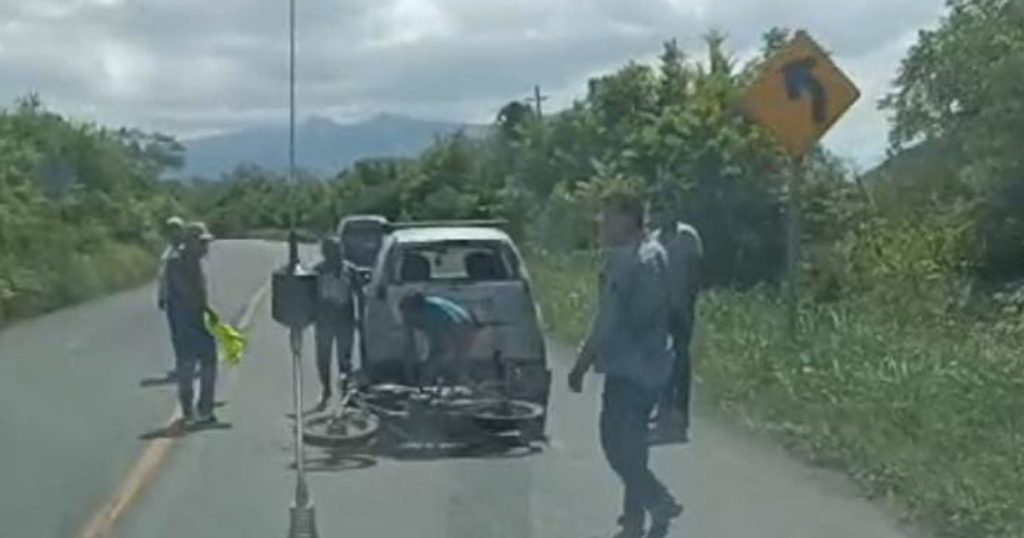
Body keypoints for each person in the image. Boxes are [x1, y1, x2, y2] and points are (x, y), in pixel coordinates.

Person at [568, 192, 683, 538]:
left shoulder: (626, 260)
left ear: (628, 220)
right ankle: (634, 519)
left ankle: (657, 499)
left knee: (614, 444)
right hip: (655, 363)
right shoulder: (656, 252)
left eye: (608, 216)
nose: (601, 223)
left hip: (628, 367)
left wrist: (581, 363)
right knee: (634, 443)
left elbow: (608, 321)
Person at [651, 216, 703, 441]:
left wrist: (690, 303)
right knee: (661, 362)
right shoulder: (653, 239)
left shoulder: (687, 236)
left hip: (681, 307)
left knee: (680, 362)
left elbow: (696, 271)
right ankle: (663, 412)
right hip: (660, 311)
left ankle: (680, 416)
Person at [165, 221, 218, 426]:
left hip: (193, 318)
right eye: (202, 243)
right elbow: (188, 295)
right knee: (188, 364)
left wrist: (207, 311)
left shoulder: (192, 261)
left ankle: (203, 408)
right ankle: (190, 409)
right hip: (184, 320)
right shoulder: (177, 262)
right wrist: (204, 311)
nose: (206, 248)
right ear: (190, 242)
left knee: (206, 362)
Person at [397, 291, 478, 388]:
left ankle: (427, 384)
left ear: (415, 310)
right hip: (465, 321)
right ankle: (457, 380)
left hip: (460, 324)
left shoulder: (431, 315)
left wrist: (427, 368)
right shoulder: (420, 310)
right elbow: (409, 345)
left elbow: (440, 345)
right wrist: (409, 374)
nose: (404, 318)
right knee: (445, 358)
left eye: (406, 314)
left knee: (440, 357)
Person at [312, 236, 356, 410]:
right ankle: (326, 389)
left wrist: (361, 318)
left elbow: (359, 294)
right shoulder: (317, 271)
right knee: (323, 357)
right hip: (324, 318)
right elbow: (309, 296)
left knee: (344, 357)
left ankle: (345, 391)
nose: (336, 255)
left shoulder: (349, 270)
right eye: (331, 251)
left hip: (345, 316)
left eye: (338, 251)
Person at [157, 216, 186, 375]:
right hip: (170, 298)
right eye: (170, 230)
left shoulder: (184, 251)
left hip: (182, 298)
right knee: (176, 334)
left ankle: (187, 363)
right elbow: (162, 277)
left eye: (175, 229)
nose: (173, 233)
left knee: (184, 332)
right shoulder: (168, 251)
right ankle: (181, 362)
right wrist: (161, 297)